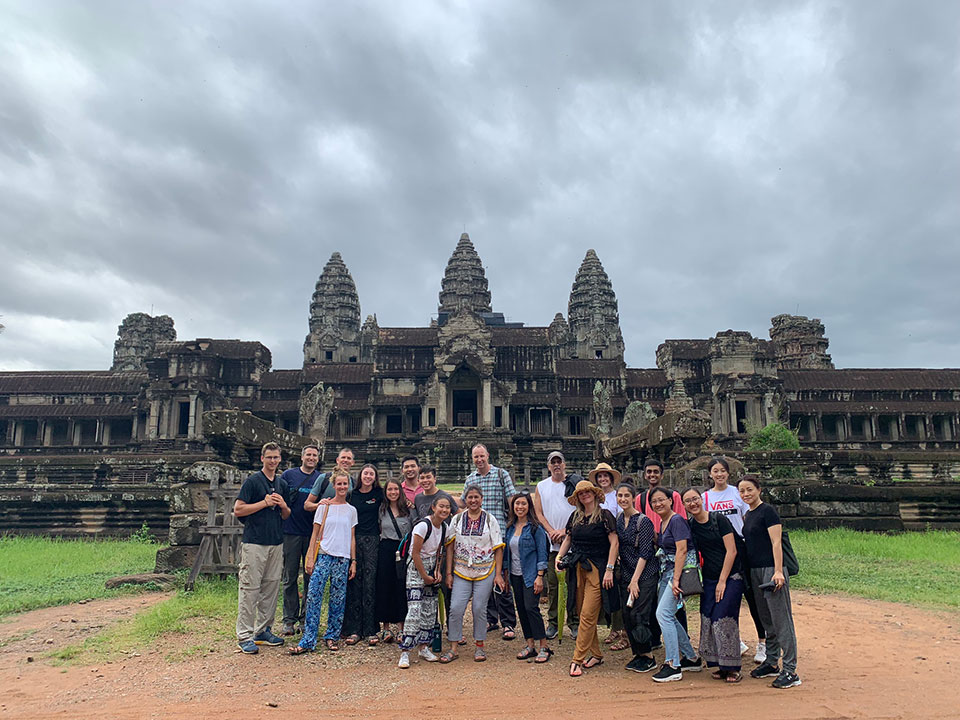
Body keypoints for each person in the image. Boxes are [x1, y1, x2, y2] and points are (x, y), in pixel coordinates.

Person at [739, 475, 801, 689]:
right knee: (766, 619)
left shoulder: (768, 511)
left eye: (749, 490)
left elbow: (776, 542)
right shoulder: (748, 514)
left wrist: (778, 571)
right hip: (755, 571)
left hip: (772, 570)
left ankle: (791, 670)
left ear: (759, 490)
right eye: (742, 491)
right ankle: (772, 662)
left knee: (781, 619)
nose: (746, 494)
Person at [703, 456, 767, 664]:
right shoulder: (705, 498)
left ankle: (763, 642)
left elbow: (748, 516)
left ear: (728, 473)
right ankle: (735, 641)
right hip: (717, 551)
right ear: (710, 474)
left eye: (722, 470)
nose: (719, 474)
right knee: (726, 597)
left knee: (751, 595)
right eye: (715, 471)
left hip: (740, 547)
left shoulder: (737, 493)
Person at [555, 480, 619, 678]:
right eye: (581, 494)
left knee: (588, 614)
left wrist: (609, 569)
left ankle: (577, 658)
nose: (584, 496)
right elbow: (568, 539)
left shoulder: (604, 515)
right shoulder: (575, 516)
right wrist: (559, 557)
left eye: (587, 492)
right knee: (582, 611)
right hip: (578, 568)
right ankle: (597, 654)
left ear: (594, 494)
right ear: (578, 498)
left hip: (597, 569)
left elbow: (614, 542)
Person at [289, 470, 357, 655]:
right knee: (314, 596)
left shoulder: (352, 510)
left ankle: (332, 635)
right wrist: (310, 557)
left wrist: (353, 561)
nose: (342, 487)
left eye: (345, 484)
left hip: (342, 558)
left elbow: (352, 537)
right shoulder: (324, 506)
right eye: (339, 484)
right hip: (325, 555)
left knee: (338, 598)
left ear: (349, 486)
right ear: (333, 486)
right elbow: (315, 533)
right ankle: (309, 638)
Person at [682, 486, 745, 683]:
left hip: (732, 575)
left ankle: (733, 667)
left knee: (723, 616)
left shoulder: (719, 520)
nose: (692, 503)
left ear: (701, 499)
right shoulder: (691, 525)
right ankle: (720, 664)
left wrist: (723, 581)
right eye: (688, 501)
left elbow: (732, 551)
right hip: (709, 578)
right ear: (684, 505)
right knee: (708, 618)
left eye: (695, 499)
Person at [233, 442, 291, 654]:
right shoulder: (253, 482)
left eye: (276, 458)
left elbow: (286, 515)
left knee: (271, 588)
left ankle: (263, 629)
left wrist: (283, 505)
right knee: (250, 588)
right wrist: (264, 503)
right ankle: (245, 635)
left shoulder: (281, 483)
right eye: (269, 457)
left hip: (275, 542)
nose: (273, 461)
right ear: (262, 459)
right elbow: (238, 509)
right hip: (254, 542)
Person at [441, 485, 506, 663]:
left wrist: (498, 574)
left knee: (479, 608)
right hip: (461, 570)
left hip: (485, 570)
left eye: (476, 497)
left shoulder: (489, 520)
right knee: (455, 608)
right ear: (465, 499)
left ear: (482, 499)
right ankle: (453, 647)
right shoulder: (457, 519)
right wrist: (448, 573)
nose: (473, 500)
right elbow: (450, 547)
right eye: (470, 497)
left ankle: (479, 646)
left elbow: (498, 547)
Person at [462, 444, 517, 639]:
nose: (479, 460)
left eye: (481, 456)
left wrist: (514, 524)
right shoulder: (470, 479)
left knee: (501, 577)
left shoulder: (501, 475)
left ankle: (508, 622)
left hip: (499, 533)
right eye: (475, 456)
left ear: (488, 456)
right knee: (483, 577)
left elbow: (512, 501)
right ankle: (491, 618)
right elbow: (463, 503)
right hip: (477, 537)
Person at [650, 486, 703, 682]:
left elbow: (682, 551)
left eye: (661, 499)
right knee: (668, 615)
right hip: (667, 573)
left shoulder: (677, 520)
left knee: (662, 614)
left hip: (675, 574)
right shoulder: (664, 523)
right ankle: (691, 657)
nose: (658, 504)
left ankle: (673, 664)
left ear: (671, 500)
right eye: (654, 502)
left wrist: (677, 580)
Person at [634, 458, 687, 648]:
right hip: (650, 552)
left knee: (675, 597)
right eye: (649, 472)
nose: (652, 475)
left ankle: (682, 640)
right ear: (644, 475)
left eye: (656, 472)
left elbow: (681, 520)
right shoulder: (640, 499)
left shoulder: (673, 496)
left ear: (662, 475)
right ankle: (655, 638)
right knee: (651, 594)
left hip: (671, 553)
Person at [398, 495, 452, 669]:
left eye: (447, 507)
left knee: (429, 610)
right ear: (433, 507)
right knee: (415, 610)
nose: (444, 510)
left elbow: (440, 552)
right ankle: (405, 651)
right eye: (441, 506)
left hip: (432, 567)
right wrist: (424, 575)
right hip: (416, 568)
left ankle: (423, 646)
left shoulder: (445, 527)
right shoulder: (423, 526)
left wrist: (437, 571)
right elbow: (415, 553)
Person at [533, 451, 582, 639]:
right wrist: (552, 531)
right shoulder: (542, 486)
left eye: (559, 462)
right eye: (552, 463)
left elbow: (581, 509)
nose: (556, 465)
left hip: (574, 542)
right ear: (548, 466)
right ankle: (553, 622)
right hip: (552, 543)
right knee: (553, 584)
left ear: (564, 464)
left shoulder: (574, 483)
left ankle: (574, 622)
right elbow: (538, 512)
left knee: (574, 584)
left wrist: (565, 530)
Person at [615, 482, 658, 673]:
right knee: (627, 615)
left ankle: (648, 655)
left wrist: (635, 580)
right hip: (625, 572)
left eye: (627, 496)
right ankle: (638, 653)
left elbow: (646, 552)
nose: (623, 499)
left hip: (645, 574)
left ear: (634, 498)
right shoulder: (618, 519)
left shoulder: (643, 521)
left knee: (639, 615)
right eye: (620, 496)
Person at [504, 492, 552, 663]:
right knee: (522, 609)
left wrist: (540, 577)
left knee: (532, 608)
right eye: (517, 504)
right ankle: (530, 644)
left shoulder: (535, 528)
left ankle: (544, 646)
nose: (520, 507)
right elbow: (506, 554)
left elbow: (542, 553)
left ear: (529, 506)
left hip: (531, 575)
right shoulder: (510, 527)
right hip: (515, 575)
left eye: (523, 504)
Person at [279, 444, 321, 636]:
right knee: (289, 577)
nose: (311, 458)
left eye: (314, 455)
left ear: (318, 459)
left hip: (312, 534)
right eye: (308, 455)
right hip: (291, 532)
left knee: (310, 578)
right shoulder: (288, 476)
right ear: (302, 457)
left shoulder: (321, 479)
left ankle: (305, 619)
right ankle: (289, 620)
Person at [341, 463, 383, 646]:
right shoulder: (352, 495)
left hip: (373, 540)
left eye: (371, 474)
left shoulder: (379, 495)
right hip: (354, 539)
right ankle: (354, 629)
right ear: (360, 476)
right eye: (365, 473)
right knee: (355, 582)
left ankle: (370, 629)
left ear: (375, 478)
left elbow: (395, 498)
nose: (368, 477)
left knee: (370, 583)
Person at [588, 462, 627, 650]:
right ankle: (612, 627)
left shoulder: (616, 497)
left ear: (611, 479)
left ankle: (621, 629)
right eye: (600, 477)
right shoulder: (596, 498)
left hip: (616, 545)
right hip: (599, 548)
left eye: (606, 476)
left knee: (617, 588)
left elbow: (620, 522)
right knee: (604, 589)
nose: (603, 479)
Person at [376, 479, 412, 643]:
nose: (393, 492)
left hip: (403, 549)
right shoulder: (381, 509)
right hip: (385, 549)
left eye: (395, 489)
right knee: (385, 586)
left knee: (401, 587)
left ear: (400, 491)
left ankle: (402, 627)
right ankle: (386, 627)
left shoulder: (408, 510)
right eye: (389, 489)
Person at [304, 447, 356, 512]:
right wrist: (319, 505)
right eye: (343, 457)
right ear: (337, 460)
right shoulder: (324, 478)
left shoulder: (354, 483)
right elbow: (307, 505)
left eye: (348, 458)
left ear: (353, 462)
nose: (345, 460)